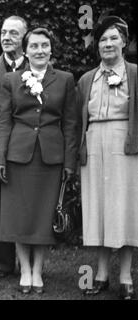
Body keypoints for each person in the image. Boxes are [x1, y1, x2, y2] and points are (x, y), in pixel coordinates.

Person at [0, 27, 78, 294]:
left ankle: (38, 271)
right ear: (25, 50)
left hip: (50, 158)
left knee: (43, 215)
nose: (39, 51)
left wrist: (69, 162)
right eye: (34, 46)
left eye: (44, 46)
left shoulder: (65, 79)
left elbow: (71, 124)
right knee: (18, 216)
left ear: (51, 49)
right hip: (18, 155)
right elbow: (4, 120)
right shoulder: (11, 79)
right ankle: (25, 271)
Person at [78, 16, 137, 300]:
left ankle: (125, 275)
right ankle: (101, 273)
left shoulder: (135, 73)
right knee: (99, 209)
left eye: (114, 38)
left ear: (124, 42)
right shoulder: (87, 79)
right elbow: (78, 119)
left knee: (125, 209)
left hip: (125, 144)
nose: (108, 43)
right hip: (93, 143)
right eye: (103, 39)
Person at [0, 15, 28, 281]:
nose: (6, 37)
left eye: (13, 33)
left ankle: (27, 259)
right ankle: (1, 263)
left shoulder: (37, 65)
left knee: (26, 202)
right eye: (3, 32)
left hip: (26, 144)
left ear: (25, 38)